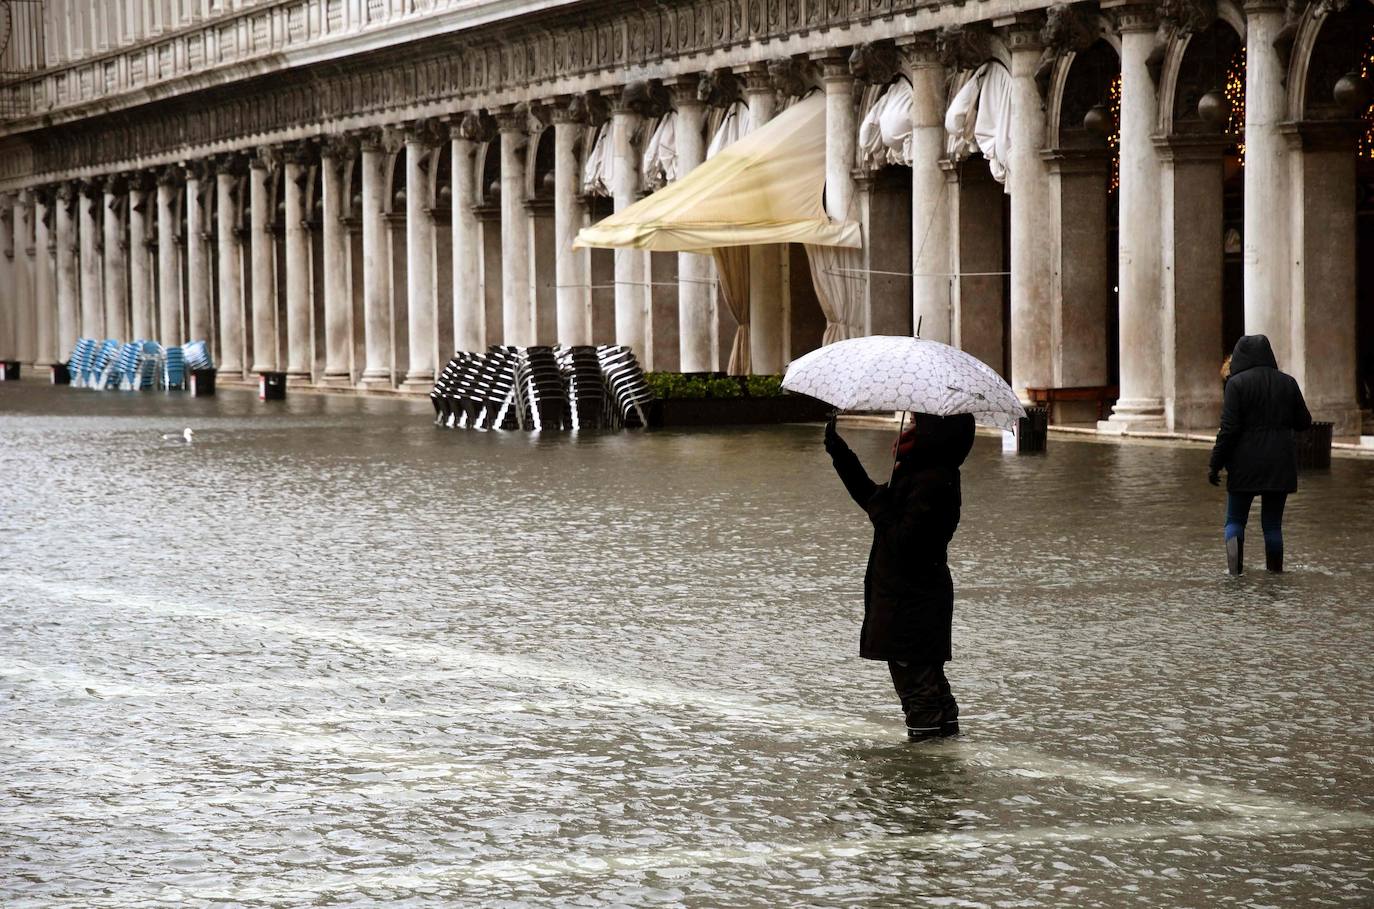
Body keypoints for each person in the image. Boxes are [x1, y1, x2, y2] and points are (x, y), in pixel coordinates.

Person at [824, 412, 976, 742]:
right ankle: (944, 762)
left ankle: (926, 777)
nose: (909, 427)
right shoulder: (922, 472)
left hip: (909, 601)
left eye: (917, 423)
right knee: (932, 686)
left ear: (936, 432)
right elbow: (874, 500)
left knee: (920, 691)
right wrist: (841, 454)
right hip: (915, 596)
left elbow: (903, 541)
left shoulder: (933, 480)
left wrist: (882, 506)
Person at [1208, 334, 1312, 575]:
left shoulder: (1236, 384)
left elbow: (1229, 429)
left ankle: (1234, 574)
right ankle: (1275, 573)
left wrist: (1215, 464)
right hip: (1280, 463)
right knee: (1273, 525)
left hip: (1244, 463)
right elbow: (1304, 421)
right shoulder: (1288, 382)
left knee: (1235, 520)